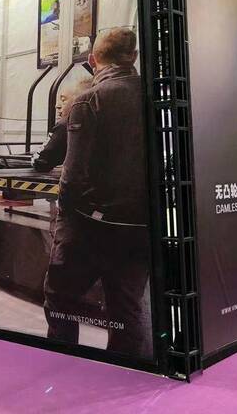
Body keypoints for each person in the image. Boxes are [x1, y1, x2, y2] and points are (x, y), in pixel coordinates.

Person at [43, 27, 150, 357]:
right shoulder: (156, 98)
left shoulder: (89, 100)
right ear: (133, 57)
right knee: (126, 308)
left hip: (88, 228)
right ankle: (125, 374)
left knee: (61, 300)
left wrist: (68, 220)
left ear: (92, 60)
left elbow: (72, 177)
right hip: (139, 228)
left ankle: (63, 366)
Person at [32, 77, 92, 173]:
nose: (57, 105)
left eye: (63, 100)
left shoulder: (66, 125)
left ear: (80, 100)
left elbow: (41, 161)